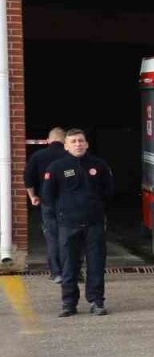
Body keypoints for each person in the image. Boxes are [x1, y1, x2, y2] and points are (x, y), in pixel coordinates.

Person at [41, 129, 114, 317]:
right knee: (69, 265)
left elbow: (109, 191)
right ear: (66, 146)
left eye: (81, 141)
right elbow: (48, 196)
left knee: (96, 265)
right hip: (68, 224)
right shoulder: (56, 167)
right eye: (73, 141)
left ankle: (97, 302)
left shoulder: (99, 165)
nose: (78, 144)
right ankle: (68, 304)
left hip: (94, 224)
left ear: (87, 144)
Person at [23, 127, 68, 283]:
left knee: (52, 236)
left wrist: (33, 196)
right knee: (70, 236)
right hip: (68, 203)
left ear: (48, 140)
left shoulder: (38, 156)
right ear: (65, 140)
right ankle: (71, 271)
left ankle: (56, 273)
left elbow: (28, 178)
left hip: (47, 201)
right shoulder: (70, 155)